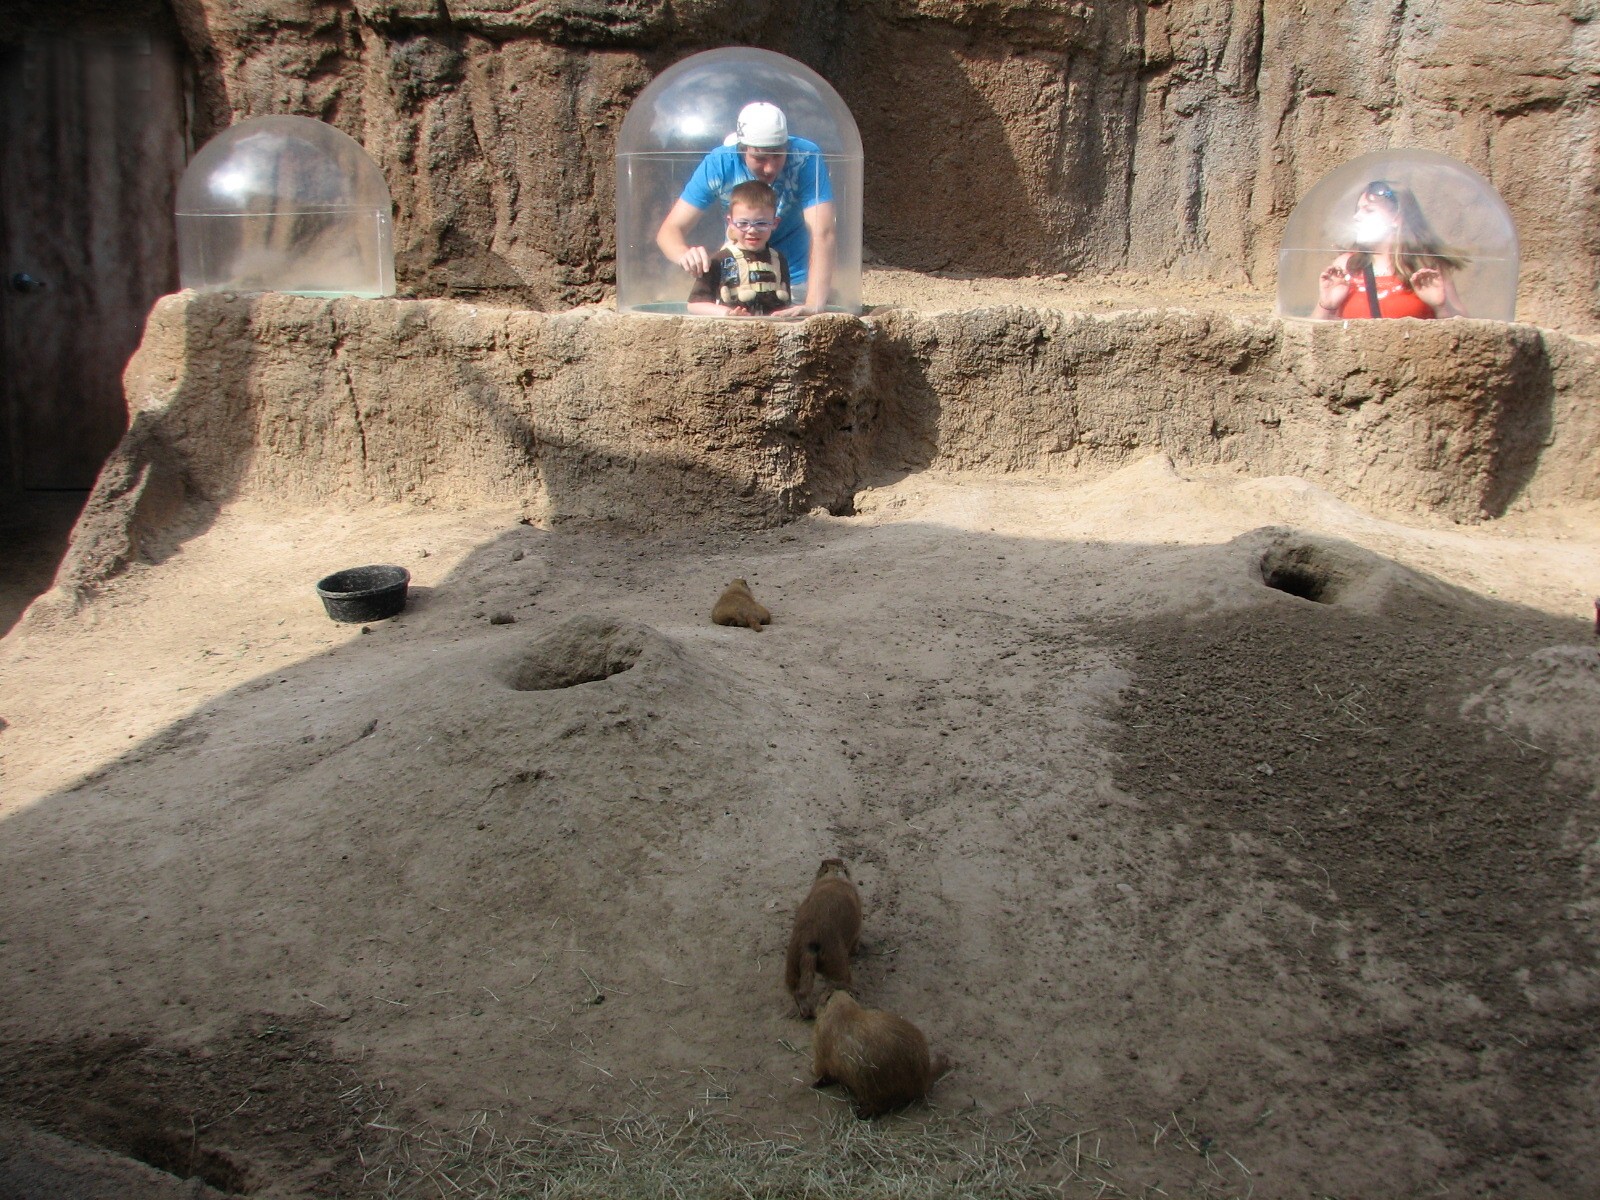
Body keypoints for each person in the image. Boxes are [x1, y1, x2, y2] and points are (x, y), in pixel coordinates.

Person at [656, 101, 835, 315]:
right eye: (759, 158)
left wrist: (812, 306)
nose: (770, 168)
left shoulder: (805, 158)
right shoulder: (720, 163)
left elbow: (823, 231)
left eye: (778, 155)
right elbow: (669, 231)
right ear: (742, 149)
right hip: (735, 280)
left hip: (793, 281)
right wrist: (685, 254)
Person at [1312, 180, 1467, 320]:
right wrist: (1326, 305)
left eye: (1369, 210)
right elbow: (1313, 334)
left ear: (1397, 218)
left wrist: (1441, 307)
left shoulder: (1426, 265)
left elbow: (1464, 329)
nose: (1357, 217)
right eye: (1358, 210)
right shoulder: (1346, 266)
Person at [686, 180, 794, 317]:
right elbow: (694, 305)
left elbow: (786, 304)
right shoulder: (719, 261)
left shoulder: (779, 260)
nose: (752, 230)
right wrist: (728, 313)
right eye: (743, 223)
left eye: (761, 223)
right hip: (732, 332)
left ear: (774, 223)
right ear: (730, 223)